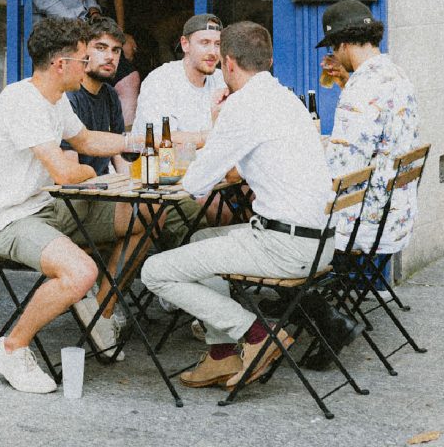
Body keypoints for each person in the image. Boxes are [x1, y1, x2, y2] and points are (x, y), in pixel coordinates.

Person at [141, 22, 334, 390]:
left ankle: (258, 333)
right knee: (202, 238)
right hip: (320, 241)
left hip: (286, 247)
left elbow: (196, 184)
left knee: (154, 271)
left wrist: (217, 127)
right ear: (268, 60)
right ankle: (221, 354)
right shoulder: (283, 97)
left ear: (228, 63)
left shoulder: (242, 106)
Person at [0, 17, 149, 394]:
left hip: (51, 208)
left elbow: (86, 140)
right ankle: (13, 347)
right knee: (80, 272)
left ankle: (100, 314)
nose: (87, 64)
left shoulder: (55, 98)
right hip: (12, 219)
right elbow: (63, 170)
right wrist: (87, 172)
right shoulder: (23, 100)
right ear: (61, 65)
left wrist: (138, 142)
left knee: (146, 215)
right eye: (82, 58)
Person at [304, 0, 421, 368]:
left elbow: (340, 171)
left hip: (363, 224)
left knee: (278, 236)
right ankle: (305, 311)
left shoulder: (361, 89)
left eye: (333, 51)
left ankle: (323, 321)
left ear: (340, 45)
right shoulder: (396, 75)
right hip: (397, 215)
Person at [132, 13, 226, 142]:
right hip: (160, 161)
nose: (213, 52)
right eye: (205, 43)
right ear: (185, 44)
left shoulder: (223, 80)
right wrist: (213, 136)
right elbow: (161, 140)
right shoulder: (161, 80)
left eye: (218, 44)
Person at [62, 17, 128, 178]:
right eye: (101, 48)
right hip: (74, 193)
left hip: (104, 189)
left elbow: (119, 153)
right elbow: (70, 169)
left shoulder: (110, 94)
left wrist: (133, 188)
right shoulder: (68, 95)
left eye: (116, 50)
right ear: (83, 51)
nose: (110, 57)